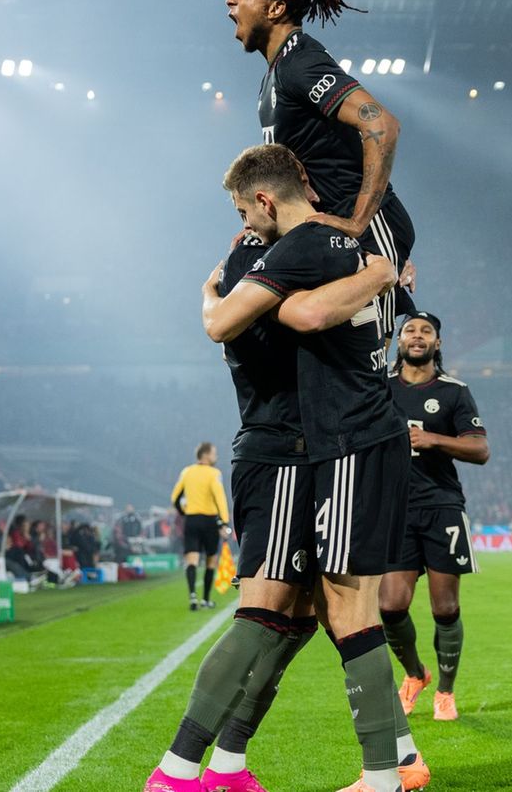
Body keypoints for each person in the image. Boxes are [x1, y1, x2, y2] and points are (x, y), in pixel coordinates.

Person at [164, 144, 418, 792]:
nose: (244, 226)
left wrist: (210, 293)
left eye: (244, 213)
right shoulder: (350, 245)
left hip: (325, 445)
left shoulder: (293, 248)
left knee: (321, 612)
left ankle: (193, 769)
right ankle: (214, 766)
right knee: (302, 613)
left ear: (265, 200)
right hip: (312, 447)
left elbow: (263, 315)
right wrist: (383, 270)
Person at [228, 0, 416, 331]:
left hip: (363, 230)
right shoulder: (275, 73)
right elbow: (292, 171)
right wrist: (257, 220)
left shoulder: (300, 62)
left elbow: (381, 125)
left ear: (275, 9)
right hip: (326, 232)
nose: (230, 0)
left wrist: (358, 221)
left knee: (366, 357)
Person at [381, 312, 489, 723]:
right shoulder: (380, 387)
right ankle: (415, 674)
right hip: (393, 509)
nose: (418, 336)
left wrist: (433, 439)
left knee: (445, 608)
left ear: (437, 343)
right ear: (399, 341)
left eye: (426, 331)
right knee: (391, 605)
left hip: (442, 506)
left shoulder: (454, 391)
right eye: (410, 330)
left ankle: (445, 691)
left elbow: (480, 449)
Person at [170, 443, 233, 611]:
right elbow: (219, 498)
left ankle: (192, 596)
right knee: (211, 560)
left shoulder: (187, 472)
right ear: (205, 455)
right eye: (214, 453)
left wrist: (183, 512)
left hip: (191, 520)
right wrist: (224, 522)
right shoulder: (214, 473)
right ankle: (205, 599)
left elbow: (175, 497)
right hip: (209, 521)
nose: (216, 456)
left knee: (192, 559)